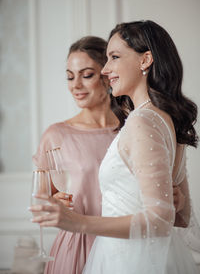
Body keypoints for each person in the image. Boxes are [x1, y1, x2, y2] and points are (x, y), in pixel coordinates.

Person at [31, 25, 192, 274]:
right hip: (95, 247)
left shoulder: (139, 122)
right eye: (69, 76)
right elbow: (177, 216)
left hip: (125, 253)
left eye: (113, 58)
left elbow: (164, 218)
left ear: (145, 60)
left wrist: (79, 222)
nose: (106, 70)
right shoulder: (161, 119)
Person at [32, 36, 118, 274]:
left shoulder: (132, 129)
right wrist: (54, 203)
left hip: (124, 243)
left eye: (86, 75)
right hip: (77, 245)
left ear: (108, 74)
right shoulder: (56, 134)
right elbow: (43, 198)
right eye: (70, 76)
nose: (75, 85)